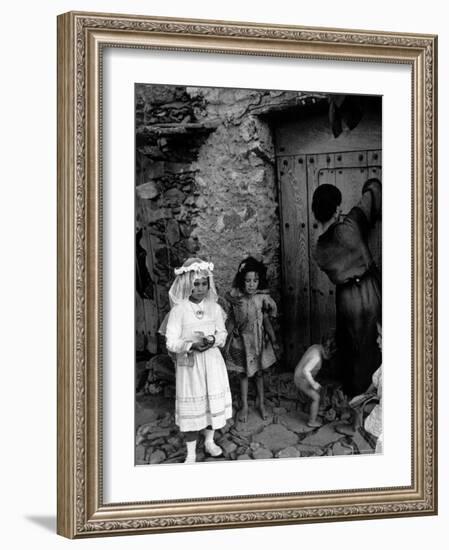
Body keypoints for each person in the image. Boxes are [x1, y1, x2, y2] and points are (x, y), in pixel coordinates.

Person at [311, 178, 382, 396]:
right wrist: (370, 184)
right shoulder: (350, 226)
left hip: (345, 299)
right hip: (369, 291)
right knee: (375, 340)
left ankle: (355, 392)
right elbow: (371, 196)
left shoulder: (318, 249)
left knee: (352, 344)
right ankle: (374, 392)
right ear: (337, 209)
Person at [160, 258, 232, 464]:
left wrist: (212, 340)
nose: (200, 288)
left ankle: (209, 441)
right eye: (196, 284)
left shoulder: (215, 308)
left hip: (212, 362)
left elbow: (222, 333)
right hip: (190, 364)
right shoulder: (179, 310)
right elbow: (171, 341)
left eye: (204, 283)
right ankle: (191, 452)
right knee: (192, 406)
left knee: (211, 402)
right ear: (187, 284)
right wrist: (191, 345)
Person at [224, 257, 280, 422]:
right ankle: (245, 406)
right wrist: (225, 338)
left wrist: (273, 339)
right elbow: (233, 320)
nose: (251, 284)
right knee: (244, 374)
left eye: (255, 281)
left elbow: (267, 322)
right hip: (242, 342)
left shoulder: (261, 299)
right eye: (248, 281)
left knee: (259, 374)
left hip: (258, 342)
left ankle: (261, 403)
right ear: (242, 281)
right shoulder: (237, 298)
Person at [293, 332, 337, 427]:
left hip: (298, 374)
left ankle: (308, 408)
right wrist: (313, 384)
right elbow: (306, 370)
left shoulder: (316, 347)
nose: (329, 358)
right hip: (301, 378)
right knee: (316, 398)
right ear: (326, 350)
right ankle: (312, 421)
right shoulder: (316, 357)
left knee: (313, 394)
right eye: (330, 355)